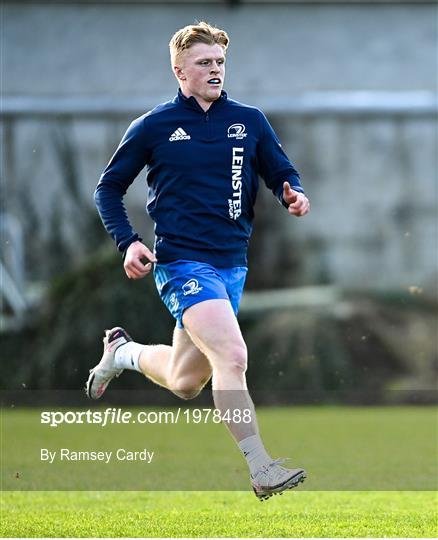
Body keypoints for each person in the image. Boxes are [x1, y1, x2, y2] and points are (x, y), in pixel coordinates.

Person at [87, 21, 310, 500]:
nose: (215, 70)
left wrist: (292, 192)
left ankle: (121, 353)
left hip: (231, 264)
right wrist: (128, 241)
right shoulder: (153, 126)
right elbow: (108, 188)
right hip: (182, 262)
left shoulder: (249, 120)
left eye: (220, 62)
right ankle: (261, 467)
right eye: (204, 63)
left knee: (186, 381)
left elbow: (280, 170)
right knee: (233, 356)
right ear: (179, 70)